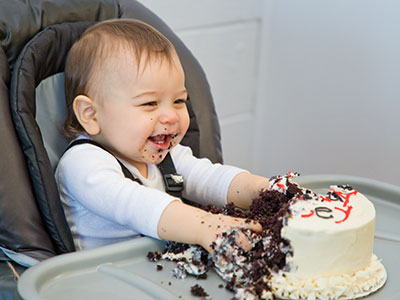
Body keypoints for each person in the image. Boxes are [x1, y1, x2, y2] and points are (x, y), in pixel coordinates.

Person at [55, 19, 269, 253]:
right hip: (103, 280)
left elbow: (207, 176)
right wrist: (205, 226)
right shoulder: (82, 163)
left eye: (179, 101)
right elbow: (136, 204)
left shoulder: (166, 154)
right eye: (149, 103)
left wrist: (264, 192)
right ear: (91, 115)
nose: (171, 116)